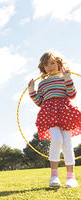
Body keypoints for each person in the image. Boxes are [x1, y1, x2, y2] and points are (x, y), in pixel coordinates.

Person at [28, 50, 81, 188]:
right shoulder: (43, 83)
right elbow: (40, 101)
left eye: (52, 63)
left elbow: (72, 94)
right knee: (57, 139)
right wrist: (31, 90)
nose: (50, 66)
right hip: (49, 113)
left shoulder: (64, 77)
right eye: (46, 65)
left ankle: (71, 177)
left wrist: (68, 78)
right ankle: (54, 176)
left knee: (67, 143)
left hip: (65, 112)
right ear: (43, 68)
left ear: (59, 64)